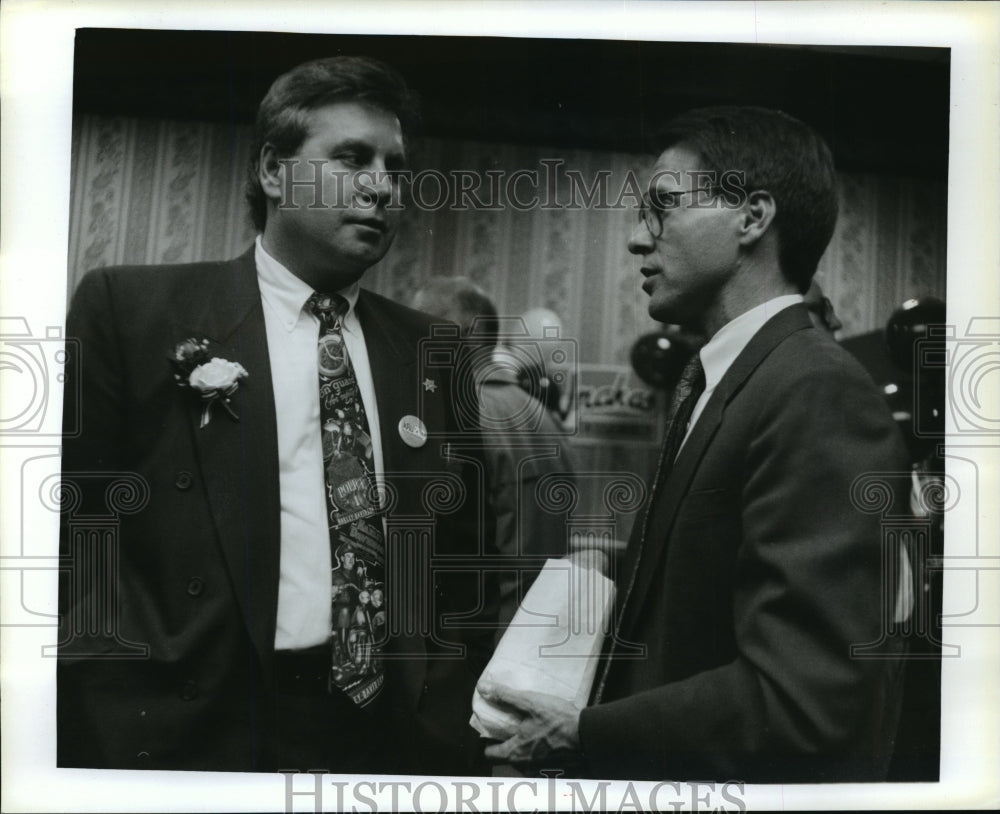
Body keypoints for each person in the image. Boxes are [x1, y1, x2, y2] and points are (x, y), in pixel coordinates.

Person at [57, 56, 496, 774]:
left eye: (394, 165)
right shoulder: (131, 311)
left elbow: (465, 560)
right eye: (351, 158)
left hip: (378, 731)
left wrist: (446, 706)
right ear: (272, 170)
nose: (382, 186)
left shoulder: (432, 350)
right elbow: (67, 526)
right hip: (182, 723)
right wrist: (99, 682)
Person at [478, 106, 909, 783]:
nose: (636, 239)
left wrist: (585, 734)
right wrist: (627, 563)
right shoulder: (734, 376)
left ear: (751, 218)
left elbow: (806, 699)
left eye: (663, 208)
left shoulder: (817, 390)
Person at [411, 277, 576, 632]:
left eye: (420, 324)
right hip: (533, 633)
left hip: (479, 645)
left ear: (462, 331)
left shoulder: (460, 418)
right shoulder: (540, 414)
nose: (409, 339)